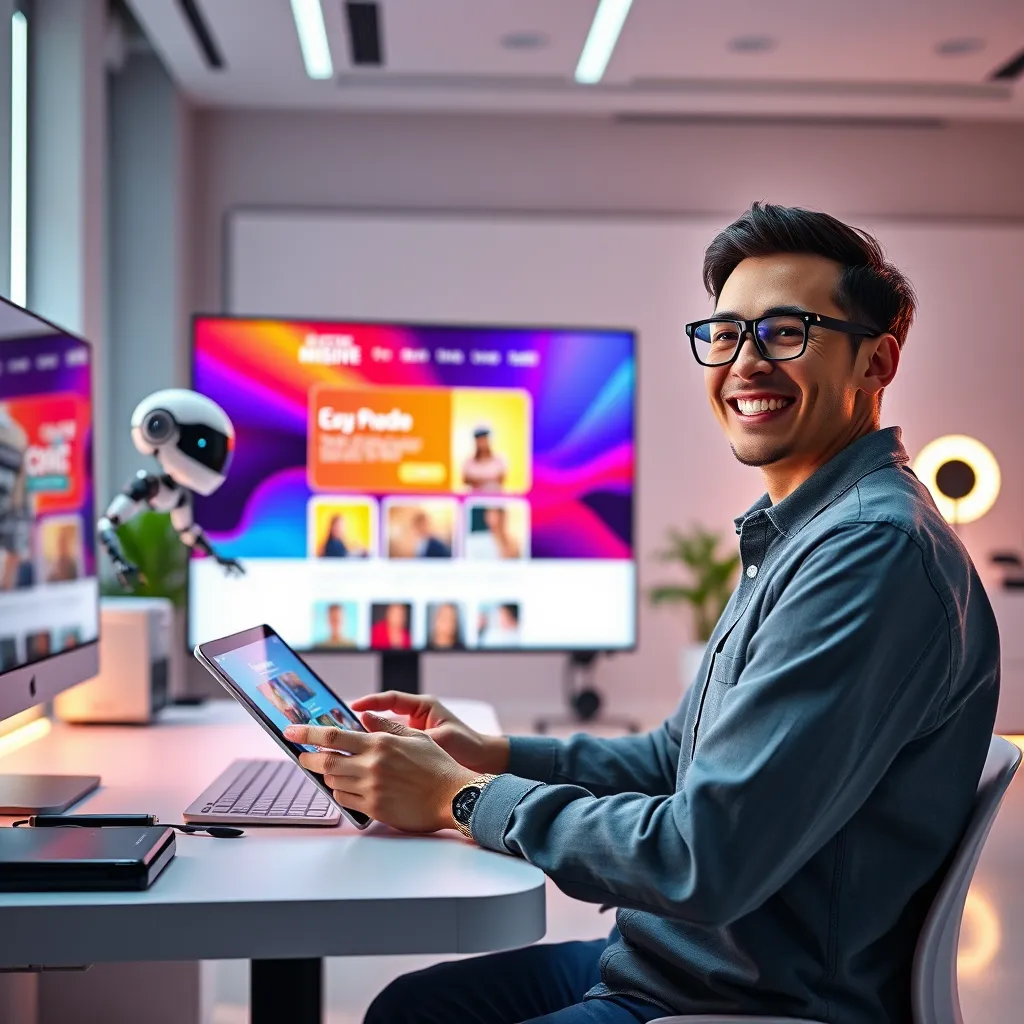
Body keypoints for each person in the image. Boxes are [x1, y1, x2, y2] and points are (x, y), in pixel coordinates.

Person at [284, 204, 999, 1024]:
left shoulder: (869, 553)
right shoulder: (807, 529)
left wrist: (465, 796)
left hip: (745, 1002)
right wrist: (495, 750)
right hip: (677, 963)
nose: (745, 362)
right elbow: (676, 760)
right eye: (725, 334)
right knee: (412, 1008)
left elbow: (705, 855)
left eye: (786, 332)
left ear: (878, 363)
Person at [460, 425, 507, 492]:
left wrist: (478, 480)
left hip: (495, 499)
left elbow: (501, 478)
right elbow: (465, 480)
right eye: (479, 440)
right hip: (474, 499)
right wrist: (489, 479)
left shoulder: (499, 459)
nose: (482, 443)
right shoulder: (469, 461)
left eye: (484, 439)